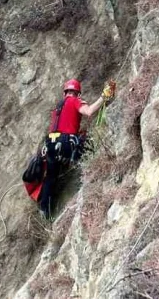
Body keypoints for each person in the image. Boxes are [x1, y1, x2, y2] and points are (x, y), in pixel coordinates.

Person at [36, 78, 116, 218]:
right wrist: (104, 97)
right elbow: (89, 111)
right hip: (65, 141)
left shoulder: (57, 108)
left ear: (65, 93)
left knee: (51, 176)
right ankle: (91, 179)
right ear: (77, 93)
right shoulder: (75, 101)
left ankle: (44, 209)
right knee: (88, 151)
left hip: (50, 144)